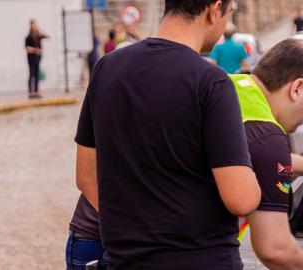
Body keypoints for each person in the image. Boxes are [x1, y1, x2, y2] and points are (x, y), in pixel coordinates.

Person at [72, 0, 262, 269]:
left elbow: (86, 176)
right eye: (230, 12)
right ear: (214, 8)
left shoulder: (107, 68)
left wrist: (136, 228)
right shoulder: (212, 82)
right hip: (201, 260)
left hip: (126, 261)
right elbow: (241, 199)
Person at [229, 38, 303, 269]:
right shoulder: (266, 134)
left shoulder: (227, 87)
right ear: (297, 88)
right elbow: (275, 250)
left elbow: (242, 155)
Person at [25, 19, 49, 99]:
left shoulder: (38, 35)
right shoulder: (28, 37)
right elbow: (27, 48)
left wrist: (40, 31)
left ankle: (36, 91)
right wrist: (36, 50)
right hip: (31, 58)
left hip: (37, 58)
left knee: (36, 74)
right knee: (31, 74)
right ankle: (31, 92)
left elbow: (48, 36)